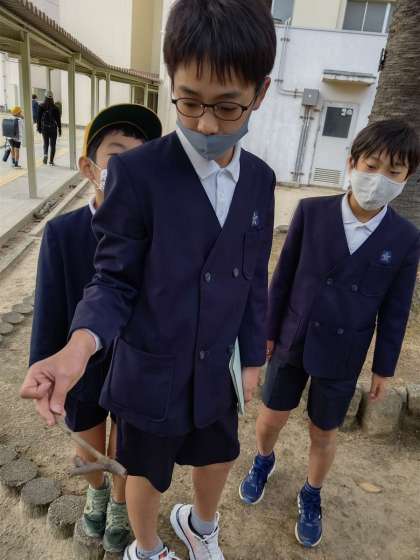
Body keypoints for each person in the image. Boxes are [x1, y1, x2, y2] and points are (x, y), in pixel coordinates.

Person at [20, 1, 277, 559]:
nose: (205, 123)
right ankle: (146, 546)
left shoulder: (260, 180)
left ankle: (200, 527)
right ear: (171, 83)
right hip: (149, 370)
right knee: (145, 470)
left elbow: (254, 274)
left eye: (227, 106)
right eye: (189, 101)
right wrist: (78, 348)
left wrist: (252, 355)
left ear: (260, 92)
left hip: (217, 364)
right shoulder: (138, 175)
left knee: (219, 454)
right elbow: (113, 279)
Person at [239, 119, 420, 548]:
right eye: (371, 165)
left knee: (324, 431)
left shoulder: (406, 237)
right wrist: (268, 332)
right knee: (272, 415)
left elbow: (396, 309)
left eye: (393, 171)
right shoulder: (311, 212)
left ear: (407, 178)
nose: (379, 178)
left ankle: (312, 492)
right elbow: (282, 277)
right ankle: (263, 460)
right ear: (352, 162)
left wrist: (384, 368)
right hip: (293, 336)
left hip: (345, 348)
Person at [29, 104, 162, 554]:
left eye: (141, 159)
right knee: (87, 441)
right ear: (89, 167)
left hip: (134, 365)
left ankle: (120, 504)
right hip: (80, 366)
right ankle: (96, 493)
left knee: (126, 440)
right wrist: (44, 365)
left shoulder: (158, 235)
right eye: (117, 156)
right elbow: (49, 306)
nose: (130, 170)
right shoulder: (62, 233)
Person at [37, 90, 61, 166]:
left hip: (45, 128)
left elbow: (38, 119)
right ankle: (51, 161)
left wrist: (39, 128)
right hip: (53, 128)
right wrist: (60, 129)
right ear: (52, 97)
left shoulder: (41, 106)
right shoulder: (55, 107)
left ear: (45, 97)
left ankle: (45, 155)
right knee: (53, 145)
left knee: (46, 143)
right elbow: (58, 120)